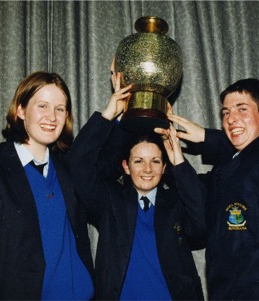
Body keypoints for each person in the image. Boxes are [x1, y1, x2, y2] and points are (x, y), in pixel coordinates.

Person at [156, 78, 259, 300]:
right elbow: (198, 207)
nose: (231, 119)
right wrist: (177, 160)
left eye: (241, 109)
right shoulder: (225, 167)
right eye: (225, 113)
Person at [67, 72, 205, 300]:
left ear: (164, 167)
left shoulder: (176, 203)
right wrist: (111, 116)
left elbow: (201, 225)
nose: (147, 169)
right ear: (126, 166)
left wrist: (179, 162)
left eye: (155, 161)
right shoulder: (109, 201)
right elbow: (79, 164)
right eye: (138, 161)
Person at [0, 71, 94, 300]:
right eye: (42, 106)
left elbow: (108, 160)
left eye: (60, 109)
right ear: (21, 110)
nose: (52, 117)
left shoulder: (68, 169)